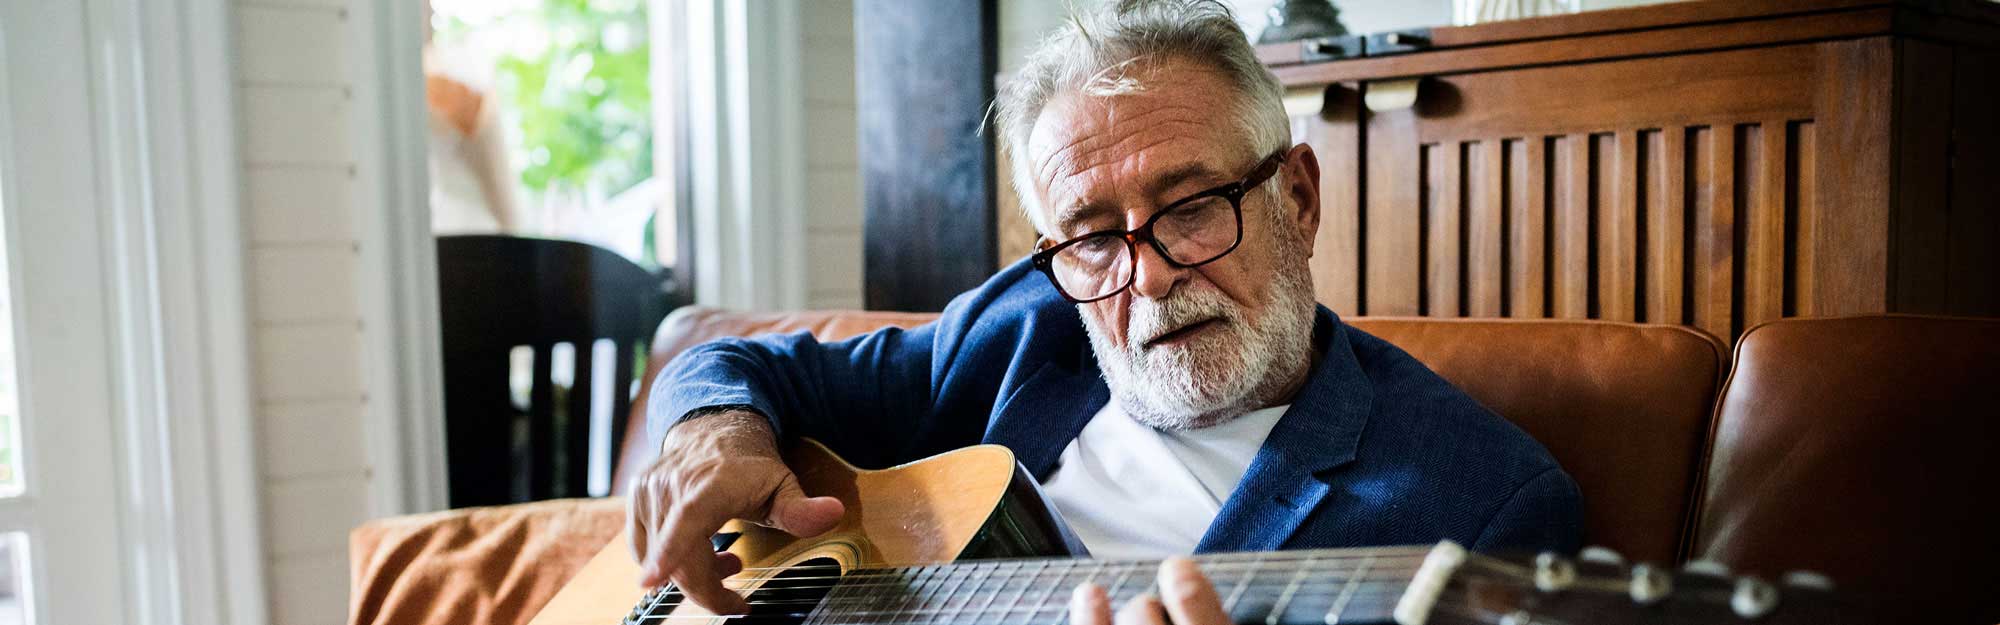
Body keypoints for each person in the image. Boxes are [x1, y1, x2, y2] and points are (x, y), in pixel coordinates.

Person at [625, 1, 1582, 622]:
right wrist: (714, 433)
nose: (1150, 278)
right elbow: (737, 365)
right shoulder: (1025, 325)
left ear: (1297, 198)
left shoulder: (1480, 505)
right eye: (1090, 235)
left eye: (1195, 205)